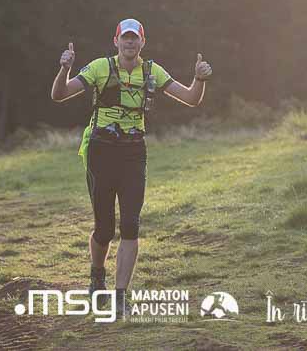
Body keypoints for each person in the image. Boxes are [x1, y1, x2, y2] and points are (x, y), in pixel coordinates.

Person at [50, 18, 212, 315]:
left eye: (134, 38)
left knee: (130, 225)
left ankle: (121, 296)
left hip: (134, 151)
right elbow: (59, 95)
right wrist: (64, 68)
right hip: (101, 150)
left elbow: (190, 98)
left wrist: (199, 79)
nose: (129, 42)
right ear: (116, 41)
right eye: (124, 37)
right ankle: (97, 276)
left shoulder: (152, 71)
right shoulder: (100, 67)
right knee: (104, 228)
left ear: (142, 42)